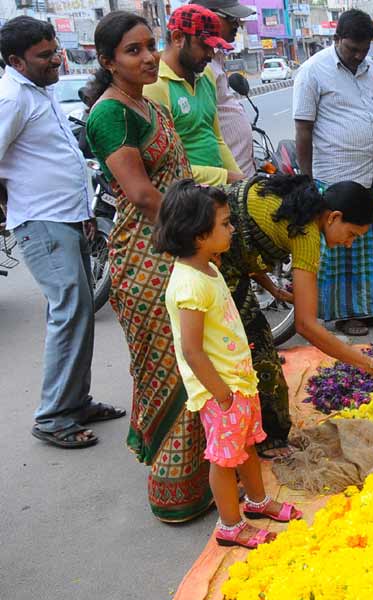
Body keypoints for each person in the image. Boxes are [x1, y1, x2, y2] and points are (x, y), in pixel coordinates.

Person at [85, 11, 210, 521]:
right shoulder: (110, 114)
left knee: (195, 359)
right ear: (107, 61)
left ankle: (208, 474)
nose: (149, 56)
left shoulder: (146, 103)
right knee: (174, 367)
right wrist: (200, 233)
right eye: (133, 50)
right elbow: (140, 193)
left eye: (151, 45)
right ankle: (173, 492)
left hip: (175, 247)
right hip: (147, 256)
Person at [155, 180, 303, 549]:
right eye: (224, 223)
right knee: (224, 460)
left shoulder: (209, 268)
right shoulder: (189, 285)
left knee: (247, 446)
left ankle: (257, 502)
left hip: (239, 382)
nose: (232, 229)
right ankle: (230, 525)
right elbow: (192, 350)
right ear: (198, 234)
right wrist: (221, 394)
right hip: (221, 391)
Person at [0, 16, 124, 449]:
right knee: (69, 310)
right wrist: (15, 209)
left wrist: (81, 213)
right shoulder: (11, 98)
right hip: (41, 220)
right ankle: (53, 416)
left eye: (55, 50)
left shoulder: (40, 90)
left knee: (80, 310)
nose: (56, 59)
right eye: (45, 55)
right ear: (16, 60)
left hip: (67, 216)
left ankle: (75, 401)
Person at [218, 174, 373, 457]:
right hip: (209, 265)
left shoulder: (303, 198)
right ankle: (263, 441)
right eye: (352, 234)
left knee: (249, 345)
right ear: (333, 217)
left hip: (216, 255)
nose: (350, 243)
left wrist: (273, 288)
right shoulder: (307, 235)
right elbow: (306, 324)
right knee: (258, 354)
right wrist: (370, 365)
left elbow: (249, 235)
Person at [293, 9, 373, 337]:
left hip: (372, 175)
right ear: (337, 39)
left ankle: (368, 309)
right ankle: (344, 314)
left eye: (363, 49)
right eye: (351, 48)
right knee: (341, 248)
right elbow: (303, 127)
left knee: (370, 244)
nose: (357, 55)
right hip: (335, 176)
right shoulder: (313, 71)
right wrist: (308, 179)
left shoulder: (370, 70)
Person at [144, 4, 243, 186]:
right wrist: (226, 176)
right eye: (204, 46)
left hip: (216, 191)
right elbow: (165, 166)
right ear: (178, 38)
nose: (210, 54)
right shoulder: (155, 85)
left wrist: (242, 182)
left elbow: (216, 138)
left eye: (213, 47)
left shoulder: (206, 75)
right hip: (184, 197)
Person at [193, 0, 257, 178]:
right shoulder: (201, 68)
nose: (237, 24)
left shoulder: (216, 59)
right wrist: (229, 177)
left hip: (239, 175)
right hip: (225, 181)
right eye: (231, 18)